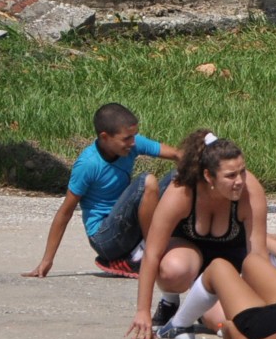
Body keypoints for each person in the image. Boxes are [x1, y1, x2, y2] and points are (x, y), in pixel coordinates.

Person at [128, 131, 268, 339]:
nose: (239, 181)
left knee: (227, 321)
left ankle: (200, 307)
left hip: (228, 270)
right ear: (208, 176)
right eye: (230, 176)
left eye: (242, 171)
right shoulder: (181, 192)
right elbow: (152, 253)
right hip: (189, 259)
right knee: (173, 270)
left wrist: (267, 301)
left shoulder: (250, 191)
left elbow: (258, 255)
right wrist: (142, 311)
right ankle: (169, 301)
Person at [26, 103, 179, 279]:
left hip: (128, 229)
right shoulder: (88, 164)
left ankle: (151, 250)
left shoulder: (131, 144)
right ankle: (150, 252)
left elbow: (177, 155)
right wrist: (47, 260)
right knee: (147, 182)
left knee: (181, 175)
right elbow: (65, 212)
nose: (133, 142)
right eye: (127, 138)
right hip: (105, 238)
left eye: (134, 136)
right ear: (105, 137)